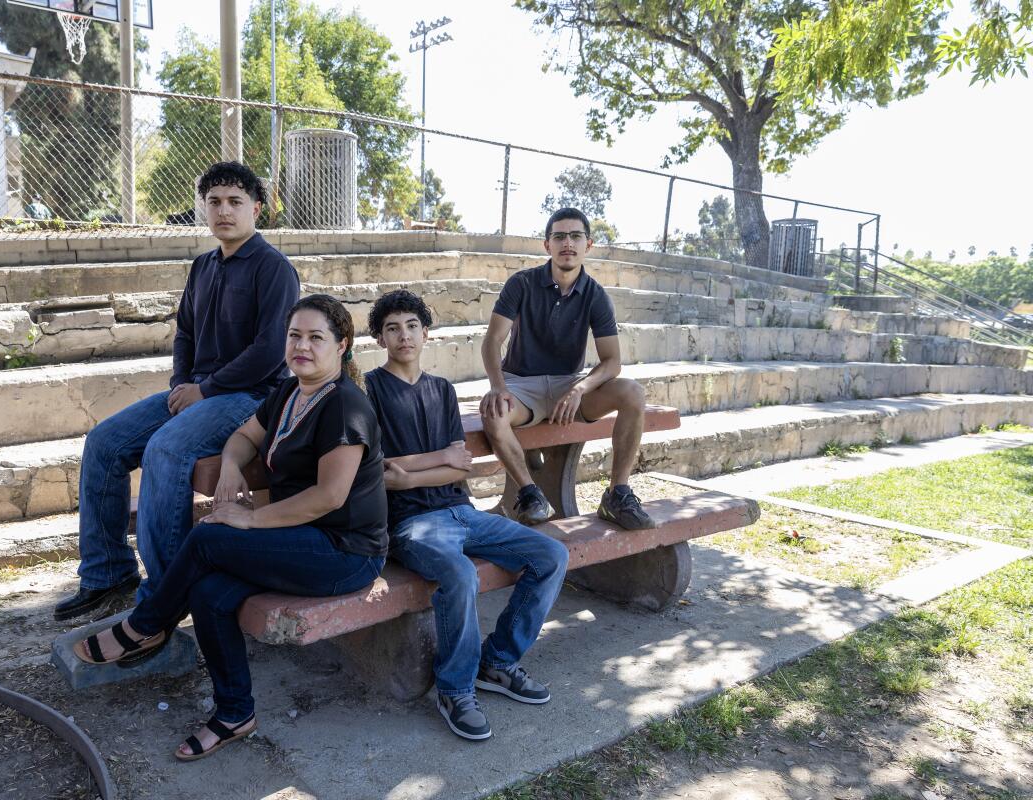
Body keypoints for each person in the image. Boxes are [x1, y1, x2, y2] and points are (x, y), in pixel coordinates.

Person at [70, 295, 388, 761]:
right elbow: (243, 437)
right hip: (298, 538)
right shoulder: (289, 392)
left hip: (345, 553)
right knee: (209, 593)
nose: (302, 346)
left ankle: (146, 625)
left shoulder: (345, 407)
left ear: (342, 346)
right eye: (294, 335)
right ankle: (235, 712)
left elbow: (329, 497)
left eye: (316, 337)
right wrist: (233, 469)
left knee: (208, 538)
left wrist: (252, 519)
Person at [54, 161, 300, 622]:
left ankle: (166, 596)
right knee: (104, 442)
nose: (223, 211)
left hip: (250, 399)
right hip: (198, 392)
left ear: (257, 210)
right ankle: (107, 575)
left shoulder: (274, 269)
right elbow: (184, 333)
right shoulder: (203, 266)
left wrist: (205, 390)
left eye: (235, 202)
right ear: (203, 209)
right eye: (213, 202)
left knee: (165, 449)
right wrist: (182, 385)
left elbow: (270, 351)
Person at [364, 290, 569, 741]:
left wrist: (416, 469)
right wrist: (435, 463)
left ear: (426, 333)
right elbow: (381, 473)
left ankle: (496, 662)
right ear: (379, 338)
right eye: (392, 328)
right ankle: (454, 689)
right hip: (410, 524)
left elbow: (462, 464)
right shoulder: (369, 390)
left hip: (462, 511)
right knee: (459, 575)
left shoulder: (442, 389)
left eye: (412, 326)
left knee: (551, 554)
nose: (404, 335)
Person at [480, 207, 654, 530]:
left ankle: (617, 494)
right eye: (559, 236)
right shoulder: (521, 284)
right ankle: (531, 494)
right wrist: (498, 386)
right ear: (547, 245)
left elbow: (612, 361)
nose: (567, 243)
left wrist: (580, 388)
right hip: (521, 385)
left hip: (570, 385)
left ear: (588, 245)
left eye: (576, 236)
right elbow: (492, 341)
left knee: (633, 393)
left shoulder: (596, 295)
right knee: (494, 412)